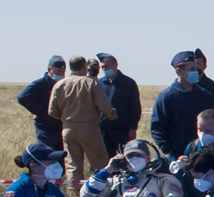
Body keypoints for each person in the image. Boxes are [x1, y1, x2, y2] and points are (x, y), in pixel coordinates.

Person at [49, 55, 118, 186]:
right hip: (89, 128)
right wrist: (111, 114)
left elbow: (52, 111)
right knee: (100, 162)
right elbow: (104, 105)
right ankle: (102, 191)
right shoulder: (91, 83)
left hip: (67, 128)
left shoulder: (59, 84)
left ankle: (75, 196)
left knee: (72, 165)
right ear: (84, 67)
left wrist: (68, 118)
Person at [151, 51, 214, 160]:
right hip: (177, 155)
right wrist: (168, 151)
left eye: (196, 68)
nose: (196, 72)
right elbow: (157, 127)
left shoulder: (205, 95)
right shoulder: (166, 97)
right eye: (192, 69)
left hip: (203, 154)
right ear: (179, 71)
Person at [96, 53, 142, 157]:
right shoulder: (99, 83)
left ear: (115, 65)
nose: (104, 69)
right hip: (104, 130)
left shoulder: (128, 83)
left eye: (107, 67)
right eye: (102, 67)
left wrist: (133, 128)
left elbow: (135, 107)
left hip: (122, 130)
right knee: (105, 159)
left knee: (126, 158)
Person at [18, 55, 67, 151]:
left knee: (61, 158)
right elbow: (23, 97)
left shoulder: (64, 85)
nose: (61, 74)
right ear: (49, 70)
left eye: (63, 72)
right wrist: (40, 112)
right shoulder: (40, 84)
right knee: (48, 156)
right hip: (46, 129)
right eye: (58, 71)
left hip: (61, 127)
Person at [193, 48, 214, 118]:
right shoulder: (186, 86)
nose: (196, 67)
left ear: (205, 67)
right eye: (193, 64)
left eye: (198, 64)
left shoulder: (213, 88)